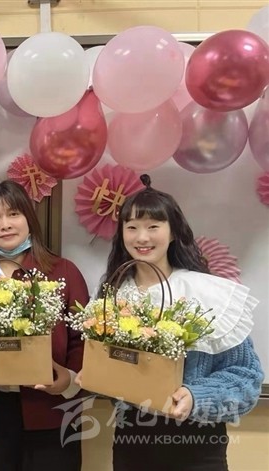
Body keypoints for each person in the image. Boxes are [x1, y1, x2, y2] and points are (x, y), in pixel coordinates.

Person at [90, 174, 264, 471]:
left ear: (173, 232)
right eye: (131, 227)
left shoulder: (209, 293)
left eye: (153, 227)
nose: (141, 238)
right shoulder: (112, 294)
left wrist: (195, 397)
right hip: (132, 442)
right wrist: (96, 376)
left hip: (197, 445)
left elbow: (246, 379)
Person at [0, 180, 89, 471]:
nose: (5, 224)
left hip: (52, 411)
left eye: (13, 214)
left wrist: (67, 380)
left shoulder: (63, 271)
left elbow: (82, 340)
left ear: (29, 219)